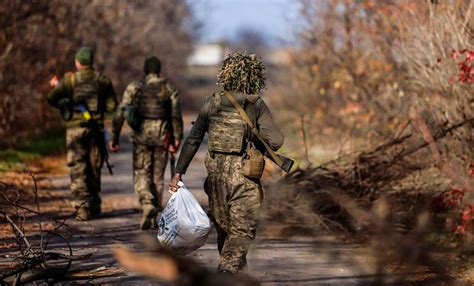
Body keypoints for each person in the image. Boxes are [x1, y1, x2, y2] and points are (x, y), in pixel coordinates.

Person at [169, 53, 284, 273]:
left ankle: (236, 276)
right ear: (254, 76)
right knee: (241, 235)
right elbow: (277, 142)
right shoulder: (256, 104)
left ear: (226, 75)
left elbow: (193, 139)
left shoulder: (212, 102)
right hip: (245, 179)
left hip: (216, 181)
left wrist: (178, 172)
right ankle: (226, 274)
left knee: (226, 234)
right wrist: (256, 134)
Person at [110, 56, 183, 230]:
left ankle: (147, 203)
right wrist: (177, 138)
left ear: (145, 69)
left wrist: (115, 136)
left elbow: (121, 112)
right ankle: (155, 212)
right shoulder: (169, 88)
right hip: (162, 137)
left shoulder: (135, 87)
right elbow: (175, 115)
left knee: (141, 172)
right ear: (159, 69)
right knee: (158, 176)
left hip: (141, 137)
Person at [47, 47, 117, 221]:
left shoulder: (69, 80)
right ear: (92, 62)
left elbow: (51, 98)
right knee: (94, 167)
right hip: (96, 130)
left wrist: (65, 102)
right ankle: (94, 205)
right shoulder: (102, 80)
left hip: (75, 131)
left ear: (78, 62)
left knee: (78, 167)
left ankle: (82, 208)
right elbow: (112, 107)